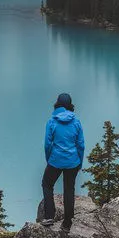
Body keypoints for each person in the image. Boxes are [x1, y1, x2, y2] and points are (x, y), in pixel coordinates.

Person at [41, 92, 85, 228]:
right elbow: (81, 145)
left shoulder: (52, 122)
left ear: (58, 104)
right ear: (70, 105)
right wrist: (79, 162)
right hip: (73, 161)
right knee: (69, 189)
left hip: (55, 160)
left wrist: (49, 159)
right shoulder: (76, 122)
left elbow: (48, 145)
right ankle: (67, 222)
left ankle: (49, 217)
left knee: (47, 184)